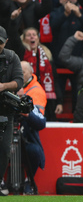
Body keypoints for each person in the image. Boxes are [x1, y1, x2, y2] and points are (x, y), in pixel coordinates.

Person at [0, 26, 23, 196]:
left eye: (0, 43)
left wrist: (2, 87)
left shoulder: (11, 57)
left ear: (6, 42)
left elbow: (19, 81)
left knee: (4, 149)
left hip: (5, 110)